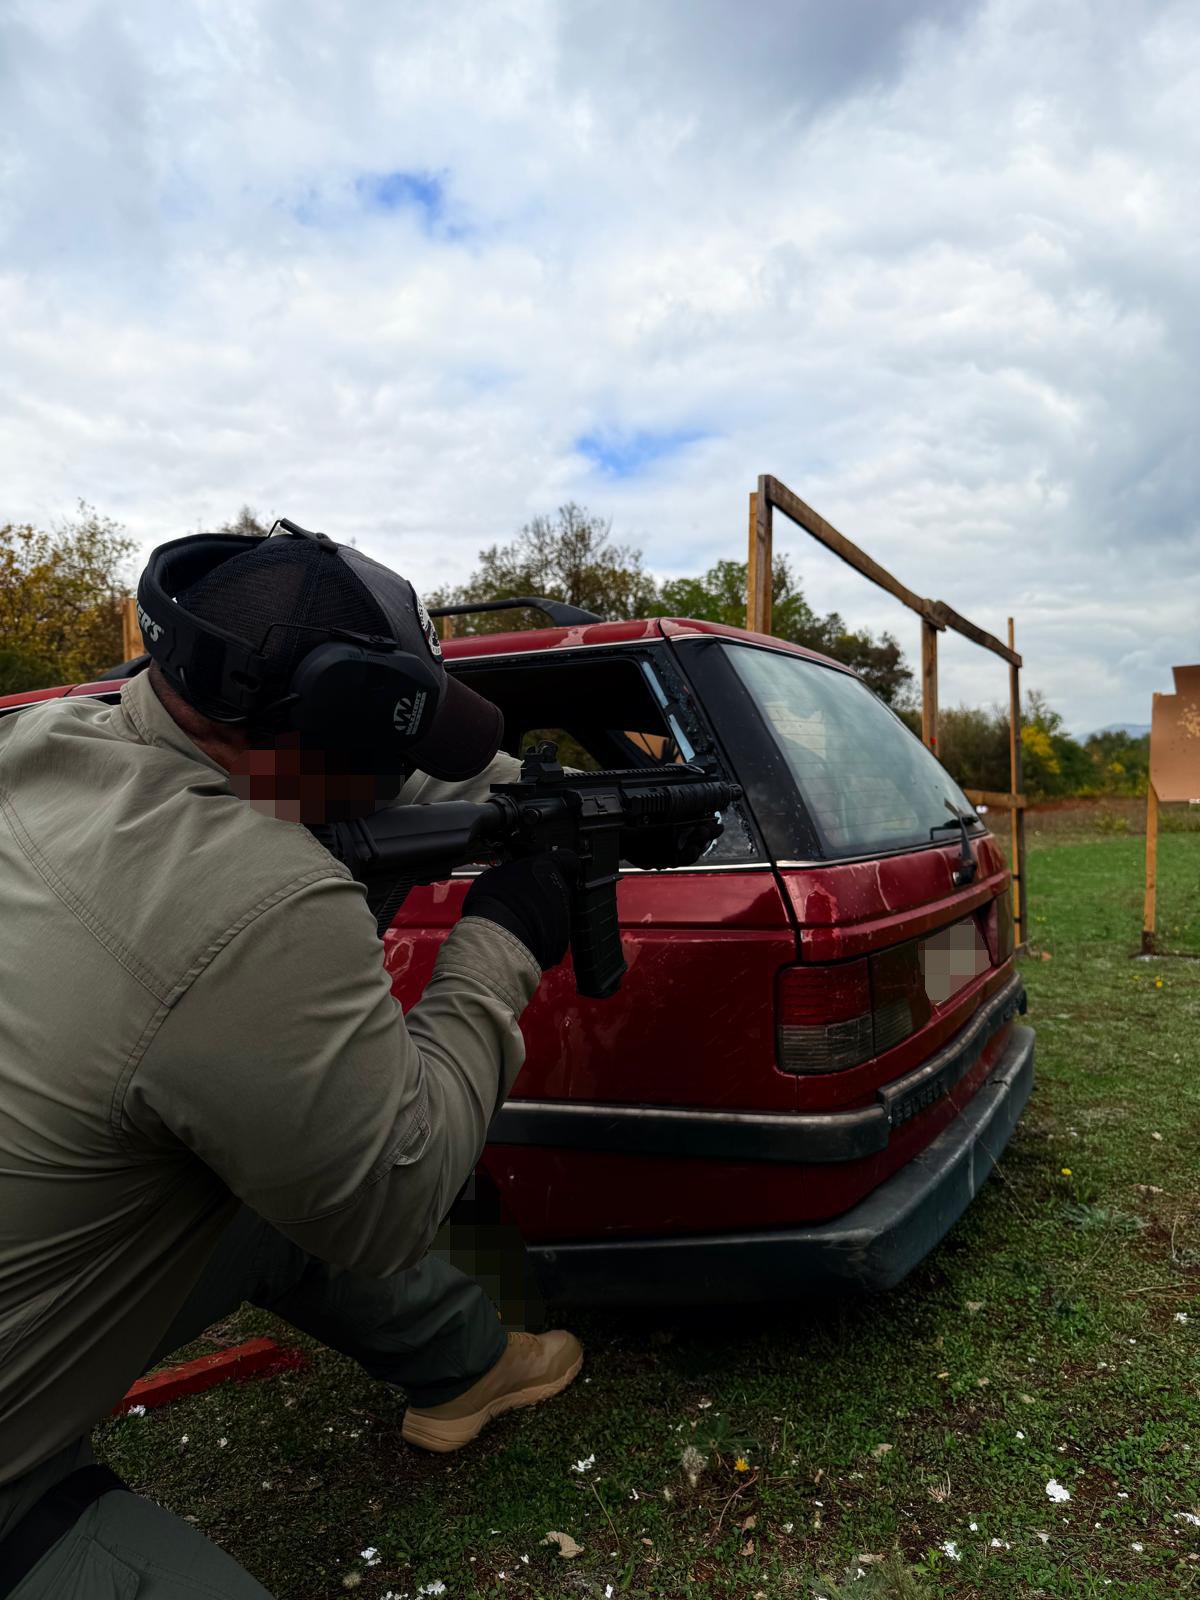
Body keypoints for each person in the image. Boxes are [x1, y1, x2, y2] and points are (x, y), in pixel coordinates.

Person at [0, 522, 582, 1598]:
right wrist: (504, 935)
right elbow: (397, 1192)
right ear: (317, 740)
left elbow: (348, 788)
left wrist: (537, 800)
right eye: (387, 749)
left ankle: (465, 1368)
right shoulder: (252, 896)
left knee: (274, 1179)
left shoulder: (48, 747)